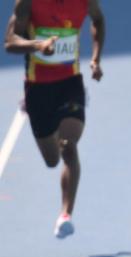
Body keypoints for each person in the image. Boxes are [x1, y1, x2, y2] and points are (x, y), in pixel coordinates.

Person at [4, 0, 105, 239]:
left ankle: (65, 215)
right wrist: (38, 45)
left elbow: (98, 20)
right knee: (52, 159)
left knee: (69, 146)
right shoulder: (27, 2)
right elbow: (10, 42)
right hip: (38, 89)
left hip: (70, 83)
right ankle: (30, 110)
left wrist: (96, 58)